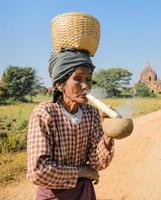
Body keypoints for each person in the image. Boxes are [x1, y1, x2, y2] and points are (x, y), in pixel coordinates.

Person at [27, 48, 114, 200]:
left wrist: (108, 133)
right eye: (78, 78)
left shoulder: (92, 114)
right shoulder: (45, 113)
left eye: (88, 79)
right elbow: (38, 171)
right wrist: (82, 172)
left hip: (83, 193)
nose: (85, 86)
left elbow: (98, 164)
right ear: (60, 84)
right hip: (53, 195)